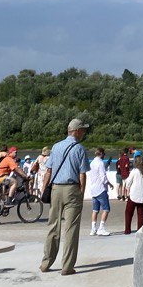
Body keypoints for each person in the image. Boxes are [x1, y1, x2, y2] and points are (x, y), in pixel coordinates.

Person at [39, 118, 90, 276]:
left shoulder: (56, 146)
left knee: (53, 226)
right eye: (82, 130)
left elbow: (49, 171)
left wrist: (44, 189)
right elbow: (82, 174)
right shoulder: (79, 149)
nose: (83, 133)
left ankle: (46, 263)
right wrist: (81, 194)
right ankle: (67, 267)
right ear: (76, 131)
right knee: (71, 229)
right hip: (72, 189)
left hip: (55, 189)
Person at [124, 153, 143, 234]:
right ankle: (140, 230)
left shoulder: (134, 171)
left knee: (128, 213)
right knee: (141, 214)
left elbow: (128, 182)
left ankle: (127, 230)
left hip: (134, 195)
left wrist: (127, 187)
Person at [88, 147, 113, 237]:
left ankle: (93, 228)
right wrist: (109, 184)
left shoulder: (92, 163)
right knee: (106, 209)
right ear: (101, 154)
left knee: (95, 210)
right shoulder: (100, 163)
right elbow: (103, 177)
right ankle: (101, 228)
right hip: (101, 189)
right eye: (104, 154)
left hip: (93, 189)